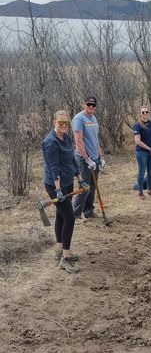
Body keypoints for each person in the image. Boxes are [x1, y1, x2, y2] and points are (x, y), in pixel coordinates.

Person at [42, 110, 88, 274]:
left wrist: (79, 177)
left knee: (62, 215)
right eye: (60, 122)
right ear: (54, 121)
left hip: (68, 182)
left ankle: (59, 249)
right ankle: (65, 257)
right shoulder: (50, 142)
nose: (63, 125)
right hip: (55, 185)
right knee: (69, 217)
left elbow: (72, 160)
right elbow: (54, 168)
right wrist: (58, 189)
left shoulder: (67, 137)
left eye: (66, 123)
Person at [72, 95, 105, 220]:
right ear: (84, 104)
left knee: (93, 186)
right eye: (88, 104)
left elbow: (95, 140)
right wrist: (87, 159)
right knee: (84, 187)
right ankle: (76, 215)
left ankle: (89, 212)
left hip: (95, 158)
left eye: (93, 105)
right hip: (84, 159)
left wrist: (101, 157)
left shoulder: (94, 118)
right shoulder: (79, 119)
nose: (90, 107)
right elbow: (79, 142)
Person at [133, 106, 151, 200]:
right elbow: (137, 141)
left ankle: (149, 190)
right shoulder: (137, 125)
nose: (145, 114)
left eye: (146, 112)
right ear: (140, 114)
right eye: (143, 112)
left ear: (148, 113)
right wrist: (149, 149)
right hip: (142, 153)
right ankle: (140, 192)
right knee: (141, 172)